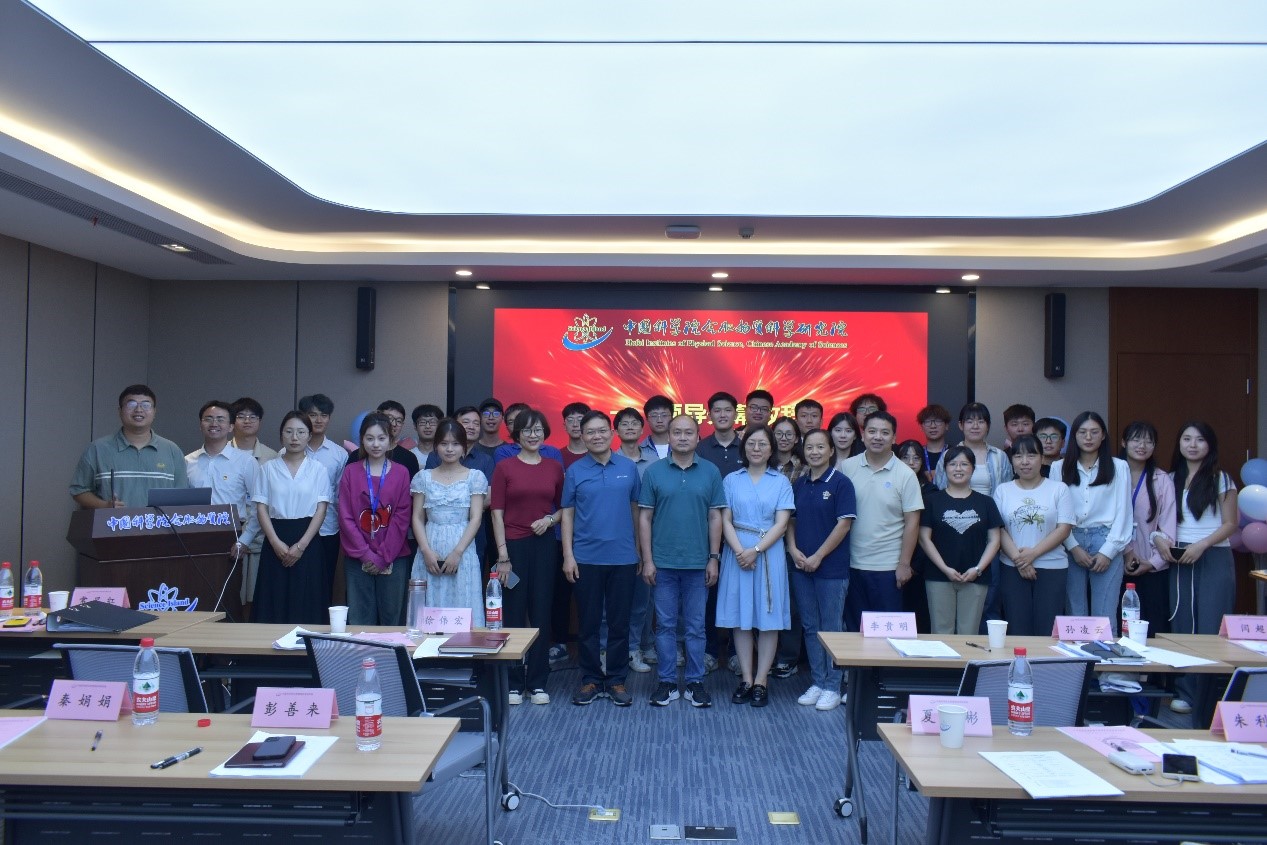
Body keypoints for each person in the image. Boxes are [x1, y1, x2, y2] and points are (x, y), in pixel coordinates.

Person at [639, 414, 725, 708]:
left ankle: (695, 682)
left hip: (698, 564)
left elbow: (715, 517)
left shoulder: (711, 471)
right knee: (664, 626)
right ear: (669, 437)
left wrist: (713, 558)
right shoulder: (654, 472)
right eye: (677, 432)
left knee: (696, 627)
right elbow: (645, 518)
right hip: (662, 563)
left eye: (689, 432)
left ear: (698, 437)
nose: (683, 437)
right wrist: (647, 560)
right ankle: (666, 682)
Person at [561, 411, 642, 706]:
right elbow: (567, 514)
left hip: (623, 557)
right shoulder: (575, 471)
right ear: (582, 436)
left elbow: (636, 511)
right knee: (589, 624)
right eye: (590, 432)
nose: (597, 436)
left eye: (602, 430)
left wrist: (639, 552)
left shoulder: (628, 468)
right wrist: (568, 555)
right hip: (586, 558)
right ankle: (591, 680)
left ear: (611, 433)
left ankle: (617, 680)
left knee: (620, 623)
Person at [717, 426, 794, 707]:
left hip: (768, 553)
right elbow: (725, 519)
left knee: (768, 617)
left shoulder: (781, 481)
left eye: (763, 443)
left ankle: (762, 680)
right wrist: (741, 551)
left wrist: (756, 551)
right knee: (741, 616)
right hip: (737, 552)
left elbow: (782, 524)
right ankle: (746, 678)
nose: (757, 448)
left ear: (772, 448)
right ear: (744, 447)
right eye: (752, 443)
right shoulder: (731, 480)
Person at [491, 409, 564, 705]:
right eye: (527, 430)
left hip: (545, 545)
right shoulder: (504, 467)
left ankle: (537, 683)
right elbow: (496, 513)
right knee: (513, 612)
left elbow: (565, 508)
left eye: (538, 430)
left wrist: (550, 520)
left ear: (545, 433)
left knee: (541, 612)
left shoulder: (554, 467)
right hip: (512, 548)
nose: (533, 435)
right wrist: (503, 555)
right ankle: (512, 682)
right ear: (516, 435)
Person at [1167, 421, 1238, 718]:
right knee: (1182, 623)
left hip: (1213, 554)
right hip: (1180, 555)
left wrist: (1203, 545)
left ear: (1210, 445)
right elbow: (1157, 521)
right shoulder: (1170, 479)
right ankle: (1186, 692)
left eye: (1199, 439)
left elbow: (1230, 523)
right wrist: (1161, 540)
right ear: (1179, 444)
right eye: (1187, 439)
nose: (1193, 445)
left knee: (1211, 624)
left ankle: (1210, 696)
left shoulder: (1221, 479)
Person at [787, 429, 856, 711]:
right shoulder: (800, 484)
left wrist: (818, 556)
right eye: (809, 448)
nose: (814, 452)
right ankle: (817, 681)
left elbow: (844, 524)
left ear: (831, 451)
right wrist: (793, 549)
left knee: (831, 627)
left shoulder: (841, 483)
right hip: (801, 566)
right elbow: (790, 520)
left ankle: (832, 685)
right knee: (810, 625)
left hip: (831, 568)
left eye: (820, 447)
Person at [840, 412, 923, 630]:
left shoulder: (906, 475)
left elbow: (912, 523)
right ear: (862, 435)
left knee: (887, 632)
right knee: (855, 630)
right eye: (872, 431)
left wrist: (904, 564)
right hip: (851, 565)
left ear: (894, 438)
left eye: (885, 433)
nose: (878, 437)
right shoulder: (847, 467)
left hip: (888, 568)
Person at [1052, 411, 1132, 634]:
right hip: (1070, 538)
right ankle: (1077, 657)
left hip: (1106, 538)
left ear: (1103, 435)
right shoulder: (1059, 468)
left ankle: (1104, 659)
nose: (1088, 437)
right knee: (1074, 612)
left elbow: (1124, 513)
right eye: (1082, 432)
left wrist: (1108, 552)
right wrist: (1073, 547)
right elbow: (1058, 514)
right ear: (1074, 436)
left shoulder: (1119, 467)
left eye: (1094, 432)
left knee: (1104, 615)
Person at [252, 412, 330, 624]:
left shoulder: (318, 469)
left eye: (301, 432)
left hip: (308, 540)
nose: (294, 437)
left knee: (307, 598)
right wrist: (274, 542)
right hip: (275, 538)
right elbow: (261, 508)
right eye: (289, 432)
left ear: (309, 436)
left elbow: (321, 510)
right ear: (281, 436)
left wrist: (301, 545)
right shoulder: (268, 469)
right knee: (274, 597)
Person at [993, 435, 1075, 636]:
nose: (1025, 461)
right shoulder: (1003, 490)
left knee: (1047, 629)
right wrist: (1020, 561)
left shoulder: (1059, 489)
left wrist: (1033, 554)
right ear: (1012, 461)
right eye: (1018, 456)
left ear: (1042, 458)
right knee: (1017, 627)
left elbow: (1064, 529)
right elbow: (999, 529)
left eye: (1031, 455)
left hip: (1052, 567)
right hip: (1012, 567)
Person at [412, 418, 489, 633]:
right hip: (430, 544)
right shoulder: (423, 478)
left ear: (464, 447)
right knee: (429, 611)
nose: (449, 449)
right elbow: (417, 517)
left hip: (462, 547)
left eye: (455, 444)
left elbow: (476, 518)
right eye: (444, 443)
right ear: (436, 446)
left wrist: (457, 552)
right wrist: (426, 551)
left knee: (462, 606)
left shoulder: (475, 477)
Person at [919, 446, 1004, 635]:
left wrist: (978, 569)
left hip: (976, 577)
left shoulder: (986, 502)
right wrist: (945, 569)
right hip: (938, 576)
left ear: (973, 469)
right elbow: (924, 538)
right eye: (953, 464)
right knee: (941, 631)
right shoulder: (932, 501)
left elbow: (994, 540)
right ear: (945, 469)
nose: (958, 469)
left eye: (964, 464)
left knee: (969, 632)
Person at [339, 413, 413, 626]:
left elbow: (401, 517)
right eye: (370, 438)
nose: (376, 444)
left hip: (393, 557)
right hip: (357, 557)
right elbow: (345, 516)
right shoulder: (351, 471)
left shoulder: (401, 472)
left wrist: (383, 557)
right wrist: (366, 555)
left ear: (391, 440)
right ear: (362, 440)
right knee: (359, 618)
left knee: (392, 618)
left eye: (381, 438)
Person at [70, 384, 188, 508]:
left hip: (159, 521)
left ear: (154, 412)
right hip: (113, 520)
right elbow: (78, 490)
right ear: (120, 411)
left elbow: (181, 495)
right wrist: (104, 506)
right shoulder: (97, 449)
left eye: (146, 405)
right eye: (131, 404)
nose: (139, 410)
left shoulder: (172, 450)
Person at [184, 400, 259, 574]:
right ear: (200, 425)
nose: (214, 424)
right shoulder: (187, 461)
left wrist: (245, 540)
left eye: (220, 419)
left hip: (232, 535)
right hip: (194, 534)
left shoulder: (246, 461)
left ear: (231, 426)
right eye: (208, 419)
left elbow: (259, 505)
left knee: (229, 587)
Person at [1120, 420, 1176, 640]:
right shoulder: (1111, 475)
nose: (1142, 445)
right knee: (1118, 628)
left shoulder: (1162, 480)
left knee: (1152, 630)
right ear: (1124, 442)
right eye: (1136, 439)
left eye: (1148, 441)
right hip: (1114, 564)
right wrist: (1126, 552)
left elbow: (1169, 529)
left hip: (1152, 569)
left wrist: (1152, 563)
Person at [614, 407, 658, 673]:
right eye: (624, 424)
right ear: (615, 430)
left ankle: (636, 648)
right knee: (616, 601)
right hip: (617, 538)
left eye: (634, 423)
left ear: (642, 429)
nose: (630, 427)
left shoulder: (655, 462)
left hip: (650, 537)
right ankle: (616, 650)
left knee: (644, 600)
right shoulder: (610, 460)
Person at [299, 393, 348, 614]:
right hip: (296, 526)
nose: (318, 420)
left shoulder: (339, 454)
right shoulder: (288, 451)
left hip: (328, 528)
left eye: (324, 415)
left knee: (326, 580)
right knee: (299, 580)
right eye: (312, 415)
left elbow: (340, 495)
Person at [895, 439, 937, 633]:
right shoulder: (891, 485)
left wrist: (914, 566)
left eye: (916, 458)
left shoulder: (931, 492)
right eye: (905, 457)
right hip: (891, 556)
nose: (911, 462)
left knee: (918, 618)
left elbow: (930, 532)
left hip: (921, 562)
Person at [933, 403, 1012, 494]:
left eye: (981, 422)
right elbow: (939, 490)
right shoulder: (948, 455)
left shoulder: (999, 456)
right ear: (961, 425)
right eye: (969, 422)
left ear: (988, 426)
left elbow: (1008, 492)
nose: (975, 426)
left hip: (991, 503)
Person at [352, 401, 420, 478]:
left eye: (399, 421)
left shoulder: (409, 458)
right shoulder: (356, 456)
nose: (394, 424)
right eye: (389, 418)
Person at [231, 397, 279, 464]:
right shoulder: (222, 451)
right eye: (241, 417)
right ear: (231, 422)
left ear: (259, 422)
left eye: (252, 417)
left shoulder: (271, 456)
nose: (247, 421)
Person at [916, 403, 952, 482]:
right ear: (921, 427)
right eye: (928, 422)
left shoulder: (954, 453)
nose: (933, 426)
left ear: (946, 425)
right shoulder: (917, 454)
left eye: (938, 421)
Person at [641, 395, 675, 459]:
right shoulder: (638, 450)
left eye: (664, 415)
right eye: (654, 416)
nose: (659, 420)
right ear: (647, 419)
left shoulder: (682, 447)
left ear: (672, 417)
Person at [560, 402, 591, 468]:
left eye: (580, 420)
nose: (575, 424)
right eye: (570, 420)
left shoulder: (598, 454)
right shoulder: (557, 456)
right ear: (564, 426)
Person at [771, 417, 803, 481]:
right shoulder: (764, 464)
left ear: (796, 439)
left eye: (789, 434)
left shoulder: (804, 468)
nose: (783, 438)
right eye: (779, 434)